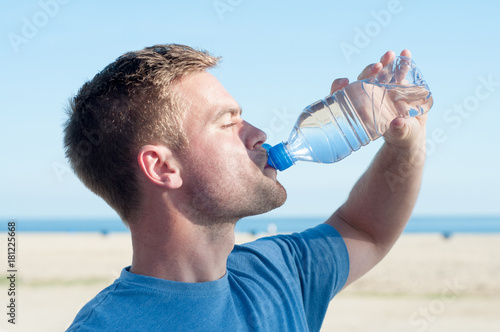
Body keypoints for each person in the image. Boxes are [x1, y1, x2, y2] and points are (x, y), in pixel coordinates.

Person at [64, 44, 427, 331]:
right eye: (227, 123)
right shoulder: (109, 326)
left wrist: (405, 144)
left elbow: (366, 231)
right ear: (162, 167)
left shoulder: (277, 271)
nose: (258, 135)